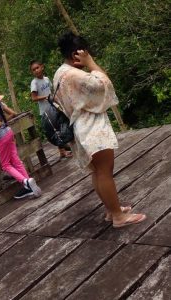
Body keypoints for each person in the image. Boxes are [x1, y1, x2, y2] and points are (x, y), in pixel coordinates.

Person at [53, 31, 146, 228]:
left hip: (80, 127)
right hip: (91, 127)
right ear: (76, 54)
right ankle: (118, 217)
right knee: (105, 171)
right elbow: (104, 84)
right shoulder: (76, 74)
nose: (87, 55)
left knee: (97, 172)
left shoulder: (59, 73)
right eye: (84, 53)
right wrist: (91, 63)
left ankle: (111, 211)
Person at [0, 83, 41, 199]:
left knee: (5, 165)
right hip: (9, 132)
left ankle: (25, 182)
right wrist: (3, 122)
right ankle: (28, 186)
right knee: (15, 160)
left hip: (1, 137)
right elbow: (13, 114)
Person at [30, 60, 72, 160]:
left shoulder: (47, 79)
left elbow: (52, 91)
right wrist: (46, 97)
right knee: (54, 130)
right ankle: (63, 150)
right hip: (46, 112)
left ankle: (63, 150)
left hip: (53, 107)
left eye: (37, 68)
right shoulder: (34, 82)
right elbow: (34, 98)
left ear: (42, 67)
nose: (36, 70)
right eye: (33, 70)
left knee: (60, 126)